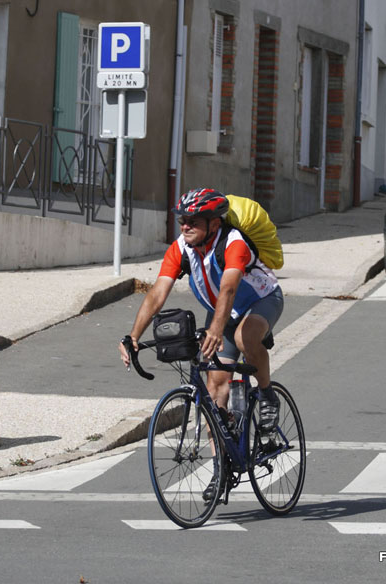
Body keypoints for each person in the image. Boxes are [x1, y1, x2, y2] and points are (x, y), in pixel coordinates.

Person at [118, 188, 284, 497]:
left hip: (260, 300)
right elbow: (157, 293)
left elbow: (229, 289)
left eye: (193, 221)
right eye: (182, 220)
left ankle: (266, 394)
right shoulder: (181, 248)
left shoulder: (232, 243)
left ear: (213, 223)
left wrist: (216, 330)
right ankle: (222, 465)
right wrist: (133, 336)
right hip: (220, 310)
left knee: (242, 337)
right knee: (214, 392)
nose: (184, 227)